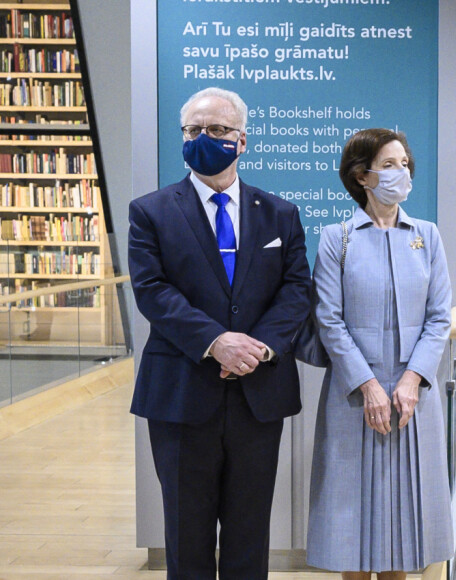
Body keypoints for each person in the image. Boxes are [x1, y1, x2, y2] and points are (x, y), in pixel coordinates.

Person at [128, 87, 311, 579]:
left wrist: (258, 348)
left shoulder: (280, 214)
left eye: (218, 129)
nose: (204, 138)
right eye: (193, 130)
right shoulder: (150, 211)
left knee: (250, 530)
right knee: (185, 533)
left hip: (260, 392)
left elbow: (296, 291)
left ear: (243, 140)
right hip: (182, 392)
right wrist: (216, 342)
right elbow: (152, 292)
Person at [307, 129, 454, 579]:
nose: (401, 173)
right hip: (354, 396)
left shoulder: (427, 236)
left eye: (404, 164)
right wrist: (369, 385)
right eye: (389, 165)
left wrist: (412, 381)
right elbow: (328, 320)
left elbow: (439, 317)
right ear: (362, 176)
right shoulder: (338, 238)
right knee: (351, 524)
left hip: (415, 400)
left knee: (405, 528)